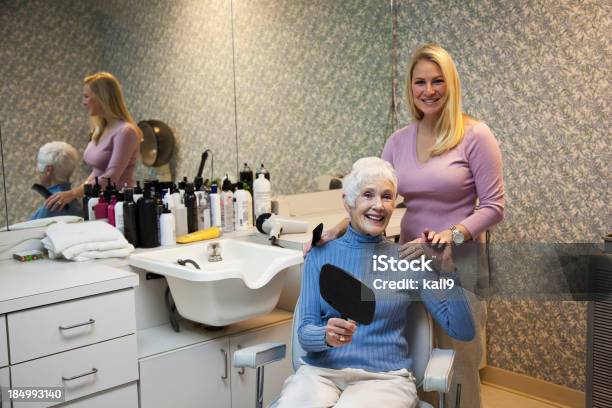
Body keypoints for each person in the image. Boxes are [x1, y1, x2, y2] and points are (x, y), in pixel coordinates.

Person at [306, 44, 505, 407]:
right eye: (420, 82)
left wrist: (454, 233)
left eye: (437, 81)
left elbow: (494, 207)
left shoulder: (475, 136)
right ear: (411, 88)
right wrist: (338, 228)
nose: (428, 90)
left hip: (457, 263)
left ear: (451, 84)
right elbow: (374, 193)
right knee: (418, 359)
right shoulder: (399, 140)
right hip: (409, 260)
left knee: (458, 363)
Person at [277, 157, 475, 408]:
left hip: (384, 380)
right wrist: (325, 335)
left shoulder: (408, 260)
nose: (378, 205)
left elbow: (463, 330)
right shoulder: (319, 255)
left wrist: (447, 270)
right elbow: (305, 332)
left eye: (387, 196)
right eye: (368, 195)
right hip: (320, 375)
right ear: (348, 202)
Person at [45, 72, 142, 212]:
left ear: (102, 98)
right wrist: (79, 192)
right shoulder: (100, 129)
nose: (83, 102)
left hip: (120, 206)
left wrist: (73, 194)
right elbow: (96, 173)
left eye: (86, 96)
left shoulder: (125, 132)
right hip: (99, 202)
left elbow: (111, 177)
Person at [30, 141, 81, 220]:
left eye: (38, 165)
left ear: (48, 170)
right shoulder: (76, 203)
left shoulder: (52, 205)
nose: (37, 170)